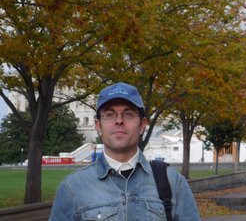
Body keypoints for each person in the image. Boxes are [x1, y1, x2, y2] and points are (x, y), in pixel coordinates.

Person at [50, 82, 201, 220]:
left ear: (142, 125)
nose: (119, 120)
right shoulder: (72, 188)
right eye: (109, 114)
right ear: (98, 125)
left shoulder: (173, 183)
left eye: (128, 114)